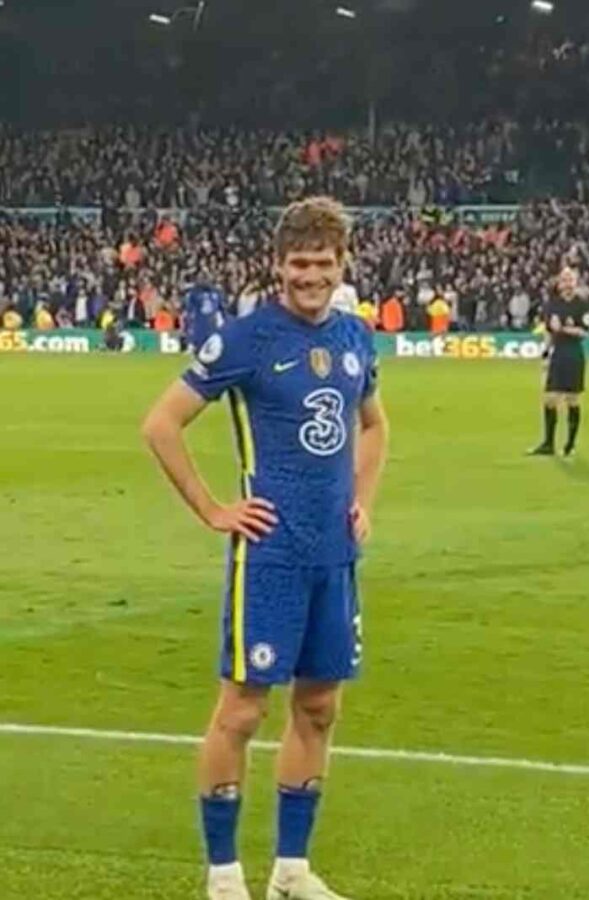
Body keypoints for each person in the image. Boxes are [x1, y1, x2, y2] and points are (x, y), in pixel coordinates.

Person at [141, 196, 389, 900]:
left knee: (318, 708)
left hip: (333, 558)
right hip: (270, 557)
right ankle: (223, 876)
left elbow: (374, 427)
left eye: (323, 264)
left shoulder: (353, 336)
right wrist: (213, 509)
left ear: (342, 267)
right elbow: (162, 423)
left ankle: (291, 871)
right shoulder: (247, 339)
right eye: (298, 263)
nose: (310, 276)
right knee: (244, 709)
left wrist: (362, 505)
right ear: (278, 266)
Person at [528, 266, 589, 458]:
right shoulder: (551, 304)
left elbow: (585, 332)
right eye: (564, 279)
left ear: (576, 282)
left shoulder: (583, 305)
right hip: (557, 353)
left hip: (574, 353)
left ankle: (570, 444)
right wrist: (545, 353)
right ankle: (548, 444)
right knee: (549, 398)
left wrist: (562, 329)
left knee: (572, 399)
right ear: (560, 283)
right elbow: (548, 331)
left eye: (571, 279)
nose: (567, 283)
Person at [183, 274, 228, 355]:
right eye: (202, 279)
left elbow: (222, 308)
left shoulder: (216, 293)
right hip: (201, 322)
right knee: (199, 335)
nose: (204, 281)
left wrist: (223, 318)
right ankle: (192, 347)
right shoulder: (195, 293)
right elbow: (190, 309)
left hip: (211, 322)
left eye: (205, 278)